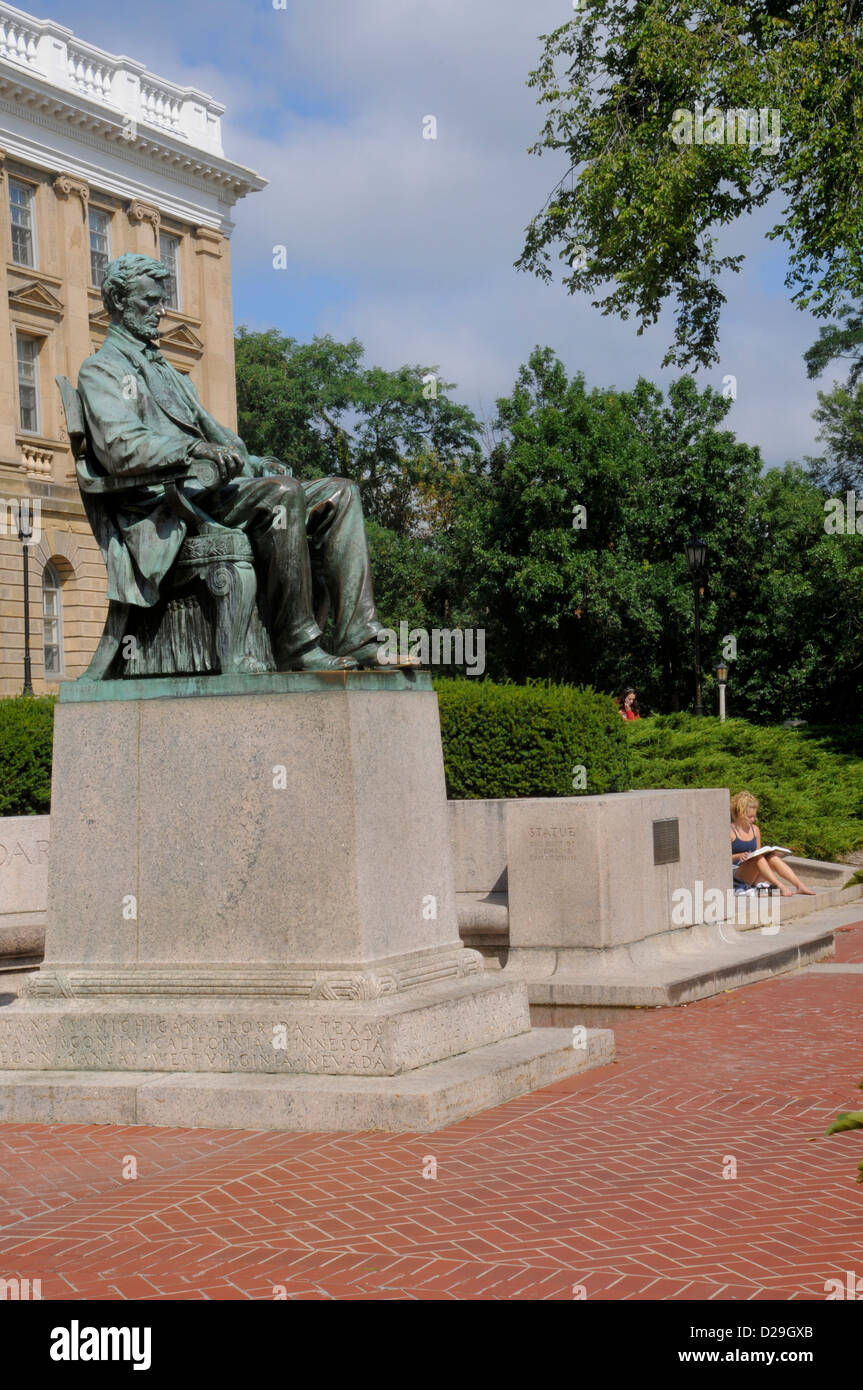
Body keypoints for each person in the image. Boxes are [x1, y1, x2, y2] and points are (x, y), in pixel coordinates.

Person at [76, 252, 393, 673]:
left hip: (209, 492)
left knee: (341, 492)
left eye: (161, 300)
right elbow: (120, 446)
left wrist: (258, 463)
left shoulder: (168, 371)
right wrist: (190, 452)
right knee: (281, 497)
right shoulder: (102, 370)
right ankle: (296, 644)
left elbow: (218, 438)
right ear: (117, 300)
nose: (161, 311)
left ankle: (359, 636)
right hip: (166, 508)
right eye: (149, 301)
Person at [730, 790, 816, 896]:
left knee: (772, 857)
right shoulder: (730, 832)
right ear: (740, 813)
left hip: (753, 871)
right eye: (749, 817)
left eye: (754, 816)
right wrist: (739, 855)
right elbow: (720, 861)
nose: (753, 820)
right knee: (758, 858)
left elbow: (758, 852)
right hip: (736, 875)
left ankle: (800, 885)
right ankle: (781, 886)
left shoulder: (755, 830)